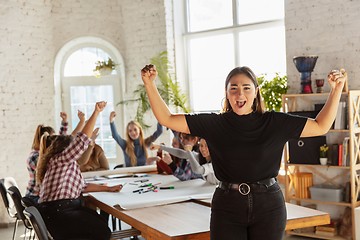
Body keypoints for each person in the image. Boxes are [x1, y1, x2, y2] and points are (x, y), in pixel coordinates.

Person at [141, 64, 345, 240]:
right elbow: (167, 118)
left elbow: (321, 126)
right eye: (234, 88)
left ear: (256, 91)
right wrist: (149, 84)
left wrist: (336, 90)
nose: (240, 94)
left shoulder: (275, 122)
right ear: (226, 92)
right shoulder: (214, 124)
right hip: (227, 205)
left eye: (246, 88)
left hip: (269, 206)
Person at [36, 102, 123, 240]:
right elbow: (82, 140)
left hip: (61, 211)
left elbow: (84, 186)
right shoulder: (60, 160)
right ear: (66, 149)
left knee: (101, 223)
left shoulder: (67, 165)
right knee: (102, 231)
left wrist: (108, 188)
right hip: (59, 214)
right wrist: (96, 112)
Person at [25, 112, 69, 203]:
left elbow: (60, 142)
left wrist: (64, 122)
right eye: (52, 139)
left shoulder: (42, 154)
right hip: (35, 197)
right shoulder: (35, 157)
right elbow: (51, 167)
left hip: (39, 196)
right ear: (44, 140)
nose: (54, 143)